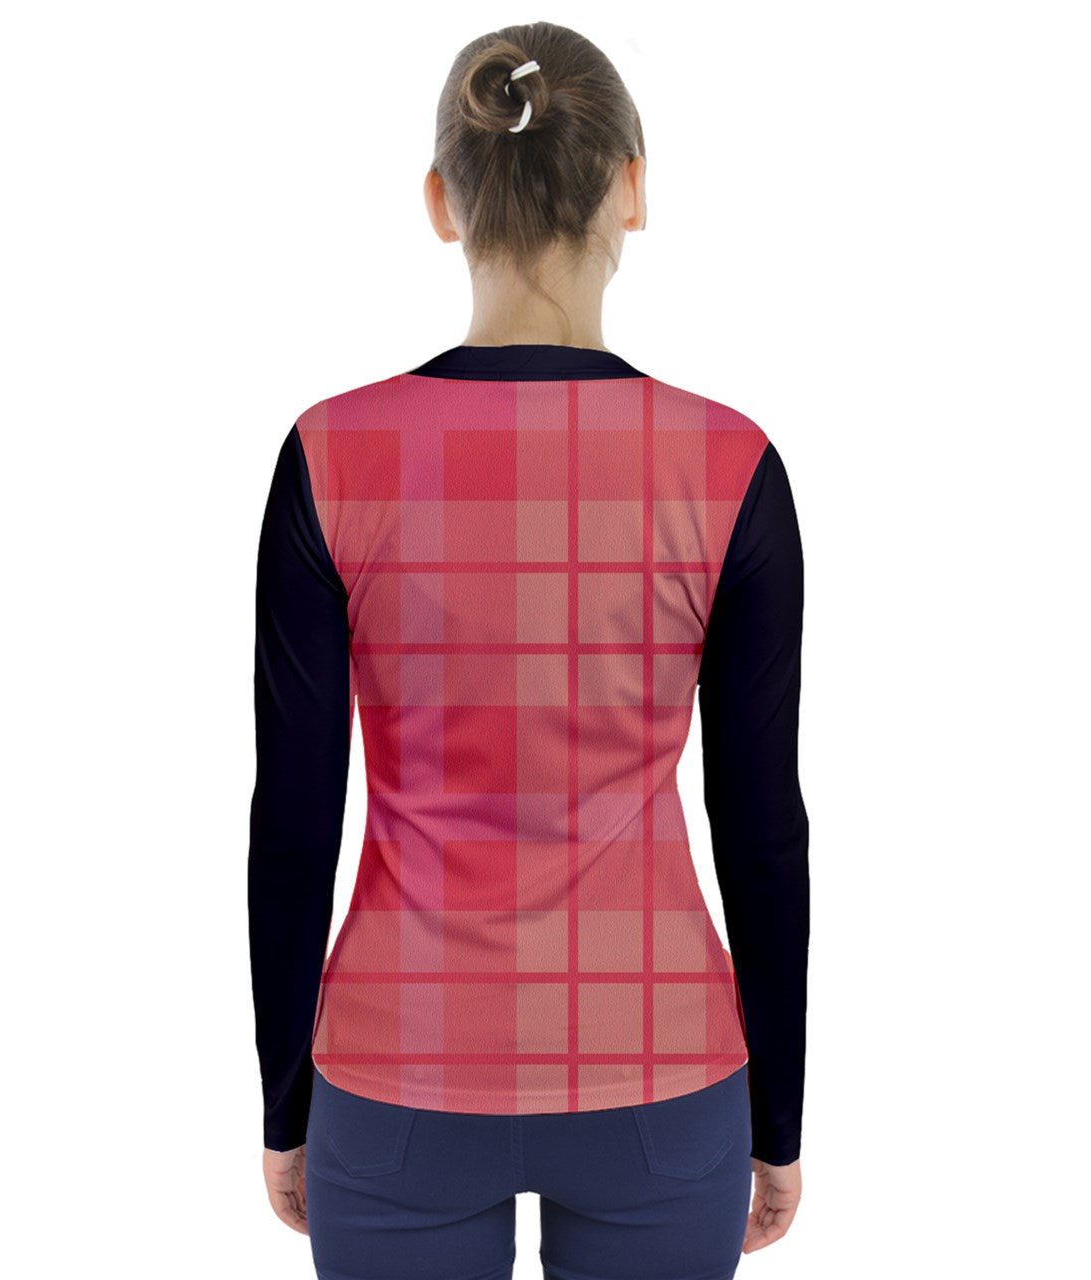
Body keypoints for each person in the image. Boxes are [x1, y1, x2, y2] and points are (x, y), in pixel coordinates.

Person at [248, 21, 809, 1280]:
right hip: (661, 1073)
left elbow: (292, 821)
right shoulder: (728, 466)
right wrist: (775, 1115)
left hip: (397, 1072)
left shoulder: (332, 456)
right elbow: (760, 826)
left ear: (442, 202)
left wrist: (287, 1098)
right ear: (631, 186)